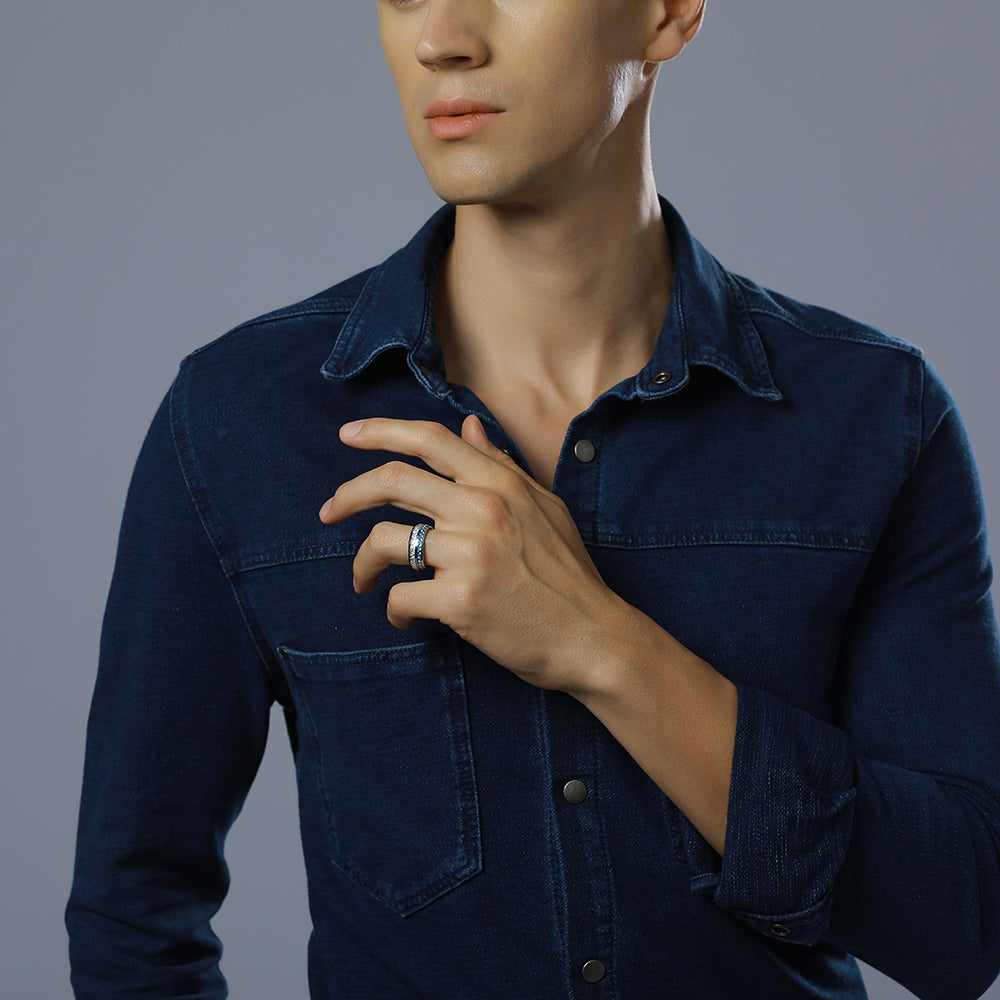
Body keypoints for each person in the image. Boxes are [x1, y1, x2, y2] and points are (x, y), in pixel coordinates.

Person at [66, 1, 1000, 997]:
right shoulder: (240, 419)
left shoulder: (877, 418)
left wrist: (599, 644)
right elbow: (133, 914)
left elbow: (961, 925)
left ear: (668, 15)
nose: (441, 39)